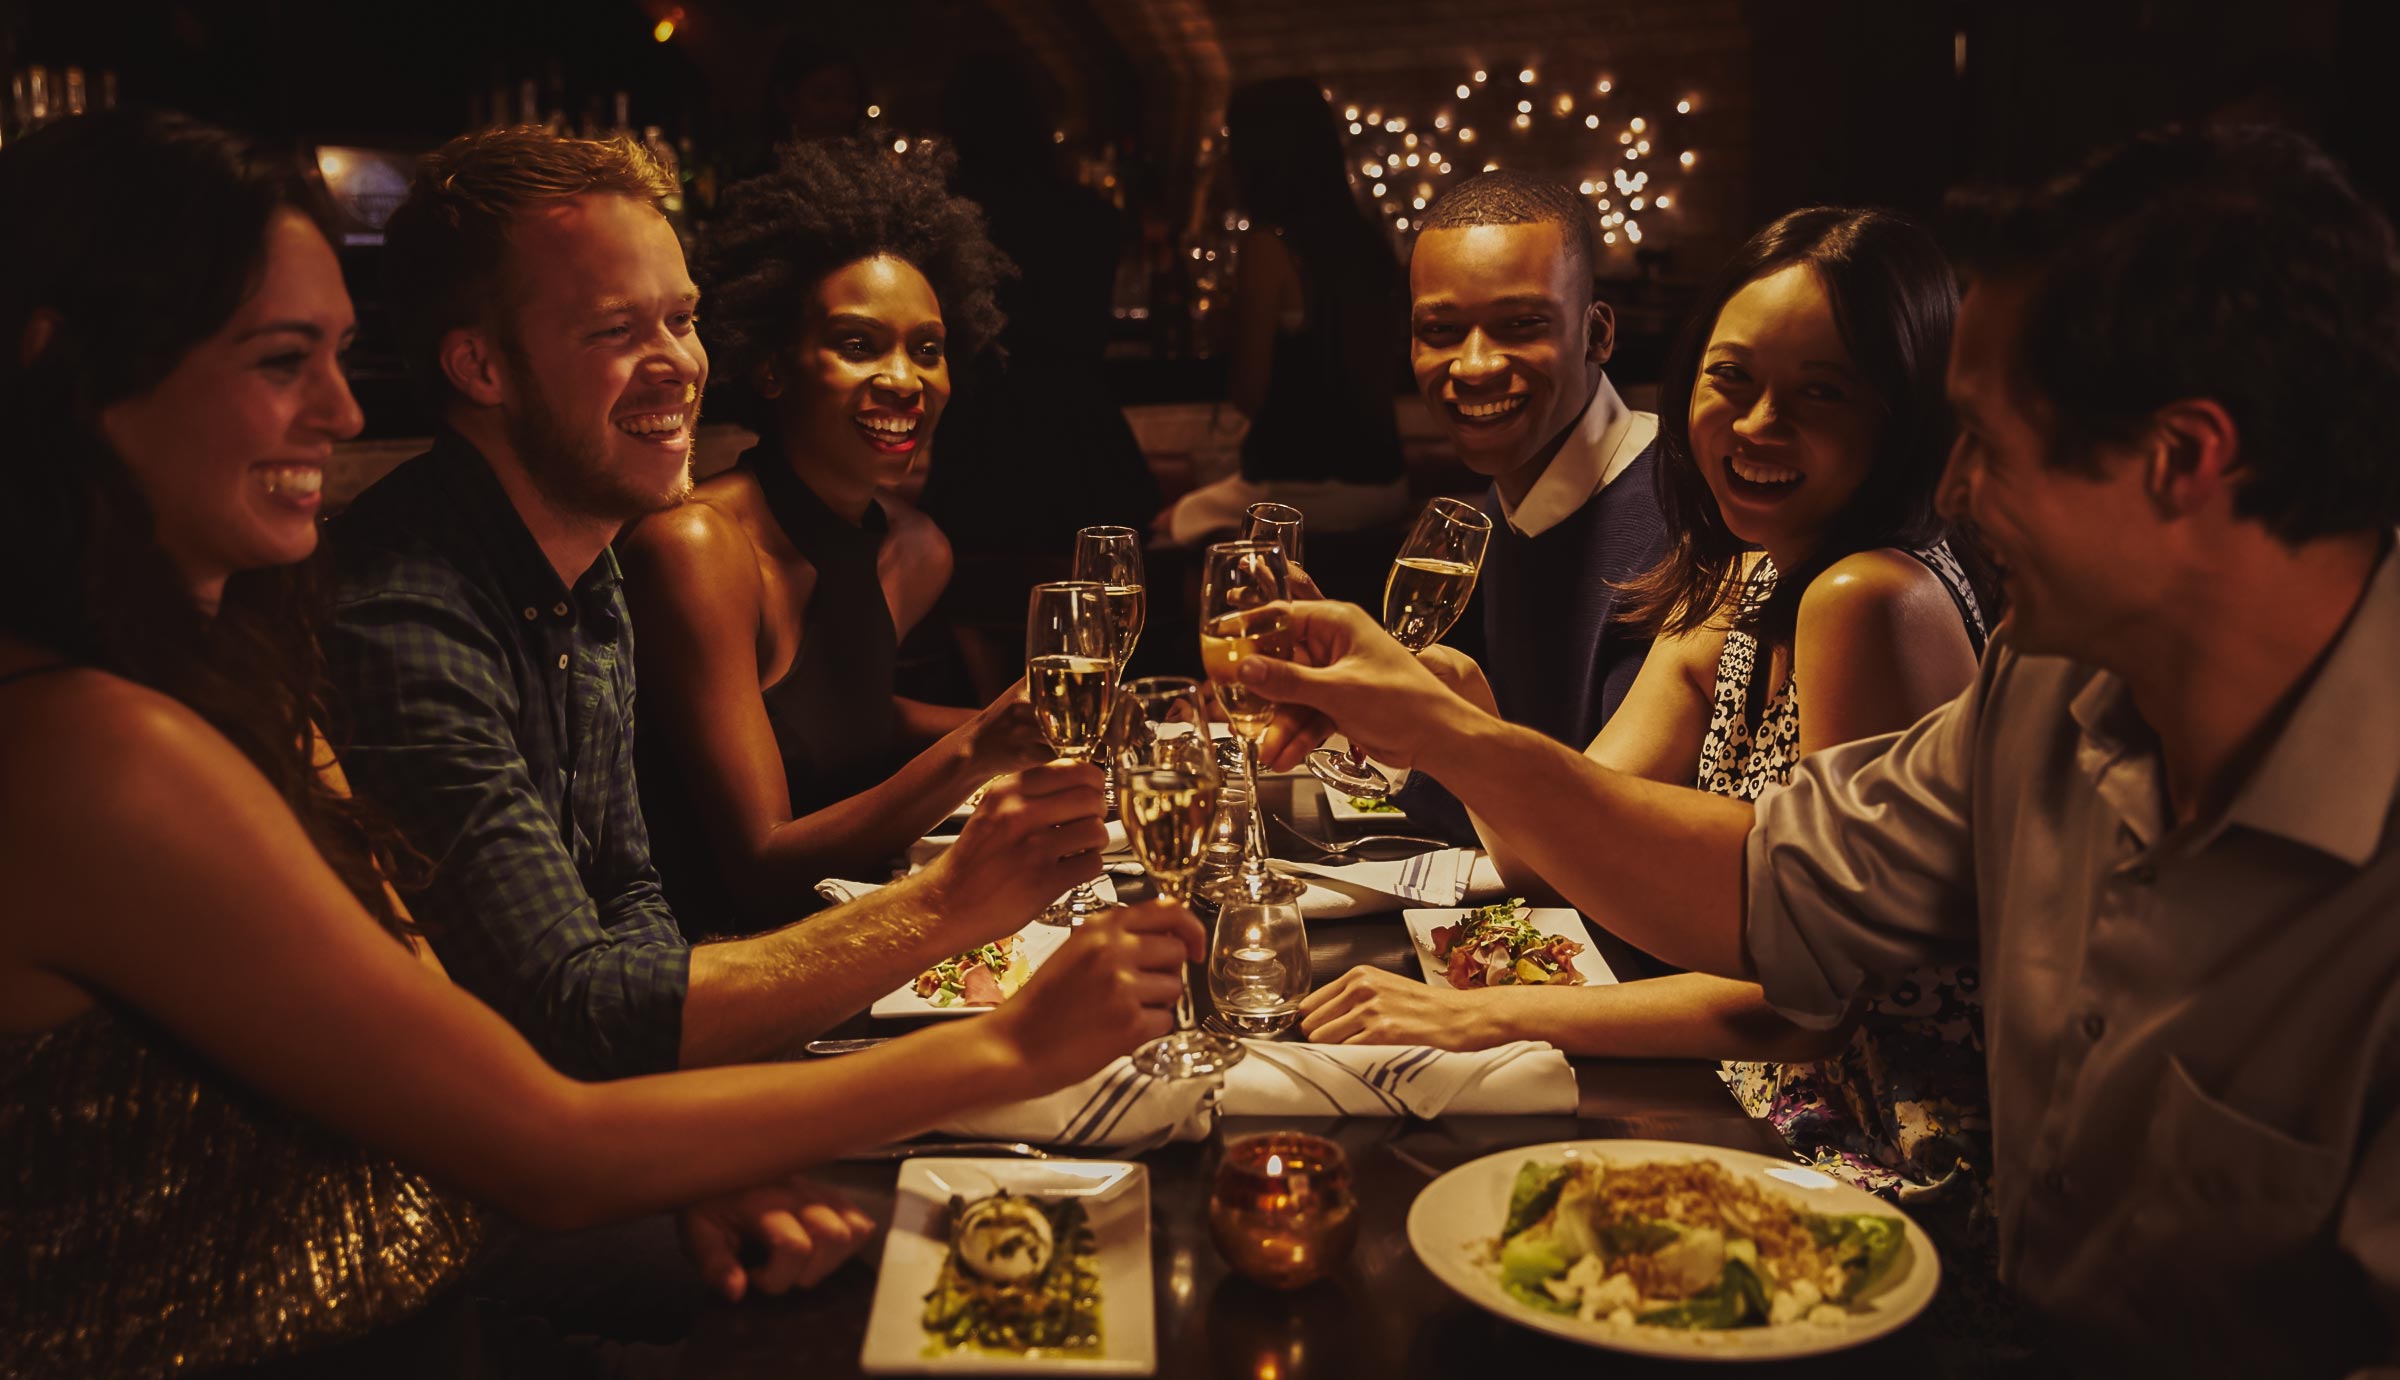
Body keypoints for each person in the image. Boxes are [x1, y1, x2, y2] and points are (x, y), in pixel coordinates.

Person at [0, 108, 1200, 1380]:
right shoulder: (110, 741)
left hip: (462, 1255)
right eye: (281, 360)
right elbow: (549, 1113)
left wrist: (680, 1159)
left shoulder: (256, 656)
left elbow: (590, 941)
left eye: (680, 319)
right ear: (70, 369)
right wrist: (995, 1021)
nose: (344, 414)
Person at [1245, 124, 2400, 1370]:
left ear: (2182, 461)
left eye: (1991, 445)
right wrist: (1437, 726)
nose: (1950, 490)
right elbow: (1778, 893)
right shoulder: (2048, 687)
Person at [1304, 206, 1999, 1314]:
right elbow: (1555, 856)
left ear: (1903, 410)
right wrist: (1458, 705)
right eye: (1733, 379)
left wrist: (1481, 1015)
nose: (1757, 425)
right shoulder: (1754, 575)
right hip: (1749, 1094)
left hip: (1868, 1160)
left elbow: (1803, 1012)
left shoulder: (1869, 599)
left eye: (1822, 391)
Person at [321, 125, 1120, 1077]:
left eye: (681, 319)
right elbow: (566, 1012)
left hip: (628, 1102)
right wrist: (946, 910)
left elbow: (630, 900)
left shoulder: (588, 567)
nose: (678, 365)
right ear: (480, 368)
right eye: (617, 329)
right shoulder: (408, 612)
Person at [618, 138, 1054, 936]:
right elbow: (757, 869)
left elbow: (840, 717)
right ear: (776, 367)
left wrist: (1043, 720)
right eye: (859, 345)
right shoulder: (697, 548)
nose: (903, 379)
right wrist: (976, 749)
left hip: (856, 933)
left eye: (928, 350)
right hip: (721, 962)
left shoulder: (916, 550)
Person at [1384, 172, 1671, 837]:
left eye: (1520, 325)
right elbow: (1479, 780)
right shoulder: (1507, 498)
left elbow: (1613, 826)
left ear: (1597, 334)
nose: (1475, 365)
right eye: (1441, 329)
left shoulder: (1675, 508)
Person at [1159, 77, 1410, 544]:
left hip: (1300, 488)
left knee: (1167, 528)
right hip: (1387, 484)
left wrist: (1230, 331)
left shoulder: (1266, 248)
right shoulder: (1368, 243)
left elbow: (1248, 396)